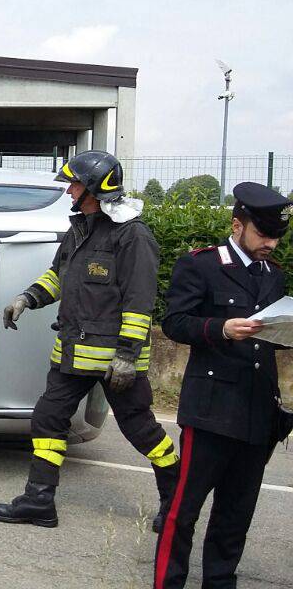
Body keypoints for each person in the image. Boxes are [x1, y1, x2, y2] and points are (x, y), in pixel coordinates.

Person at [0, 150, 178, 529]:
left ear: (94, 188)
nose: (69, 191)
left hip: (115, 362)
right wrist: (27, 298)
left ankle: (177, 503)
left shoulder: (133, 235)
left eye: (75, 184)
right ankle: (39, 500)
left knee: (141, 430)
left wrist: (126, 355)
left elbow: (140, 300)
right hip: (72, 352)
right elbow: (59, 276)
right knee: (47, 418)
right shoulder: (80, 228)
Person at [153, 182, 292, 589]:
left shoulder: (274, 276)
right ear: (237, 225)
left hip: (258, 409)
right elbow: (174, 322)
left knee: (236, 513)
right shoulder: (201, 265)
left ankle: (219, 582)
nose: (271, 243)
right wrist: (221, 329)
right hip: (212, 407)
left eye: (277, 236)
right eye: (263, 234)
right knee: (184, 510)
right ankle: (168, 583)